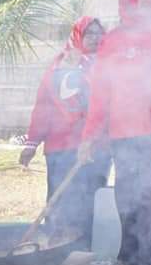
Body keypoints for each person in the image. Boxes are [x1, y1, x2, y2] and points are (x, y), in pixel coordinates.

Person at [79, 0, 151, 265]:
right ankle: (131, 258)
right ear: (129, 0)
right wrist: (90, 135)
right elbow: (100, 93)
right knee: (127, 198)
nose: (149, 0)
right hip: (122, 136)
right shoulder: (112, 40)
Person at [21, 16, 110, 241]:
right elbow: (44, 105)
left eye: (99, 33)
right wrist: (32, 143)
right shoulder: (60, 64)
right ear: (78, 35)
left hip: (96, 149)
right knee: (59, 202)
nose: (95, 38)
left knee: (91, 199)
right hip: (60, 147)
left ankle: (85, 251)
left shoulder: (109, 64)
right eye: (89, 33)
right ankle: (56, 250)